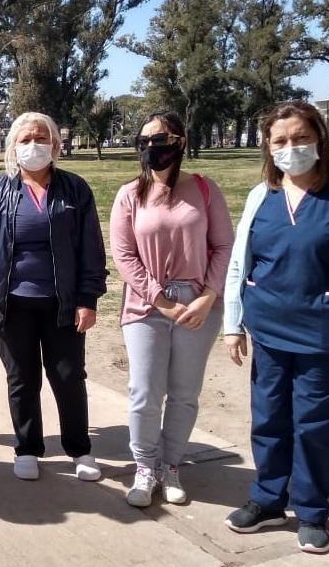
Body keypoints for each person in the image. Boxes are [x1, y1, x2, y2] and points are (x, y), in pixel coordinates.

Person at [222, 101, 329, 554]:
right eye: (280, 140)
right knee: (269, 419)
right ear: (267, 146)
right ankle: (267, 501)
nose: (291, 147)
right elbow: (241, 261)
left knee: (316, 427)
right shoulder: (263, 195)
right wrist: (233, 324)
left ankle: (313, 511)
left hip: (328, 336)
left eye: (300, 137)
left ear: (319, 138)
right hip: (269, 332)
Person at [0, 112, 107, 482]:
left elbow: (91, 250)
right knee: (22, 378)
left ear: (56, 145)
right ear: (13, 146)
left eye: (41, 138)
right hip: (10, 303)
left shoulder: (75, 189)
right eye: (25, 139)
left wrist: (88, 300)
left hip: (63, 304)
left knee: (68, 377)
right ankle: (27, 448)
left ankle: (79, 449)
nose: (33, 145)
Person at [110, 111, 234, 508]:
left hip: (198, 304)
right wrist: (160, 300)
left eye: (160, 139)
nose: (152, 148)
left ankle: (171, 466)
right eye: (144, 141)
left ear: (180, 141)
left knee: (184, 393)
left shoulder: (205, 189)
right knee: (145, 392)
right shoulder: (130, 194)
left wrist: (208, 296)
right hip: (146, 306)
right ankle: (145, 467)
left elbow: (224, 246)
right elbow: (124, 255)